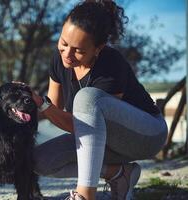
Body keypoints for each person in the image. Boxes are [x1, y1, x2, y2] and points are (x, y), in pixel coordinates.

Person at [31, 1, 168, 200]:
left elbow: (80, 125)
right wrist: (15, 107)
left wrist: (42, 104)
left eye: (79, 50)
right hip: (105, 144)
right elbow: (53, 109)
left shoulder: (111, 63)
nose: (67, 54)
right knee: (37, 161)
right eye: (64, 43)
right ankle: (119, 174)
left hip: (146, 135)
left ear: (98, 48)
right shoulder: (59, 60)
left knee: (87, 97)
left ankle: (85, 196)